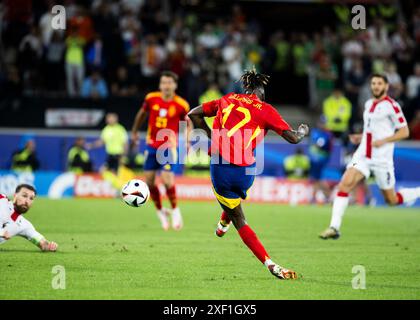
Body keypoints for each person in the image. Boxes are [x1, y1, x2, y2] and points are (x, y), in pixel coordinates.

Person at [188, 68, 309, 280]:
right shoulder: (266, 109)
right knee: (236, 199)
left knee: (239, 219)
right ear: (261, 92)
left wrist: (211, 135)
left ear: (246, 89)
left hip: (221, 169)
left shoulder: (227, 99)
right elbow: (294, 139)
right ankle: (223, 223)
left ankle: (270, 264)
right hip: (246, 172)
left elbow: (193, 114)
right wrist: (302, 132)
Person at [319, 74, 420, 240]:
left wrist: (383, 141)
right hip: (363, 155)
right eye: (373, 83)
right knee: (344, 184)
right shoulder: (368, 104)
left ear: (386, 86)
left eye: (380, 83)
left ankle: (418, 192)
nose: (376, 86)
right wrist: (361, 136)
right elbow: (371, 129)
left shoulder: (392, 106)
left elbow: (404, 131)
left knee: (391, 200)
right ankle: (334, 227)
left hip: (382, 160)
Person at [131, 71, 192, 231]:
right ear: (160, 85)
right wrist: (135, 130)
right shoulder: (151, 98)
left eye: (169, 83)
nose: (166, 86)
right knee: (149, 181)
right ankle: (160, 211)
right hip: (151, 145)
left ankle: (175, 210)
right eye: (164, 82)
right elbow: (141, 114)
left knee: (166, 179)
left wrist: (186, 140)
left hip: (168, 147)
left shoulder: (181, 104)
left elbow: (187, 124)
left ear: (175, 85)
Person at [0, 184, 57, 252]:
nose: (27, 201)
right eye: (24, 196)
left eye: (31, 198)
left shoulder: (24, 225)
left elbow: (42, 243)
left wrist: (49, 246)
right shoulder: (2, 200)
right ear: (15, 195)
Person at [308, 116, 334, 202]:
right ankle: (325, 197)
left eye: (323, 123)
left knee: (317, 179)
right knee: (316, 179)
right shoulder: (315, 131)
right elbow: (313, 144)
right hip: (314, 158)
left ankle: (327, 195)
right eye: (320, 122)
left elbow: (320, 145)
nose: (321, 124)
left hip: (321, 159)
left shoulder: (327, 134)